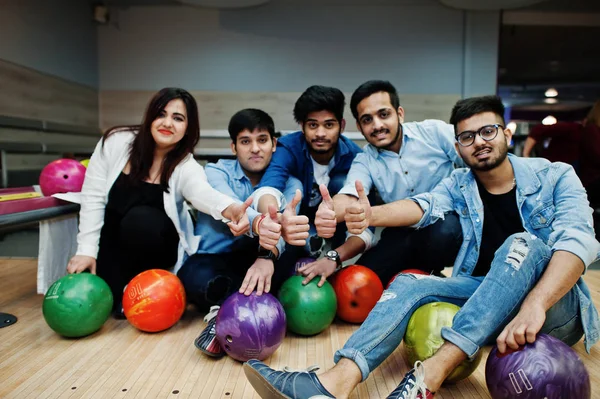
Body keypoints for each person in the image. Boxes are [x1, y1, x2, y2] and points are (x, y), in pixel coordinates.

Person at [243, 95, 600, 399]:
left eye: (488, 131)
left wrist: (536, 304)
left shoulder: (555, 175)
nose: (479, 141)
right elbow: (422, 206)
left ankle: (427, 378)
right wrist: (368, 214)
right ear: (458, 146)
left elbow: (579, 241)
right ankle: (335, 382)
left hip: (553, 310)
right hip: (492, 302)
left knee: (521, 243)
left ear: (506, 134)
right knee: (409, 282)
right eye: (467, 137)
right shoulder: (460, 182)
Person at [66, 88, 251, 316]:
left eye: (178, 118)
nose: (168, 123)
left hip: (156, 245)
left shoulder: (185, 166)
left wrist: (231, 209)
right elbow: (92, 196)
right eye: (161, 114)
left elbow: (203, 194)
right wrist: (86, 251)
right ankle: (120, 286)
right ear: (150, 116)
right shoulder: (115, 141)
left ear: (187, 128)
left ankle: (146, 286)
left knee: (140, 220)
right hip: (112, 243)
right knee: (106, 304)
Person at [303, 80, 463, 287]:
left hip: (447, 225)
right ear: (360, 127)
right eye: (367, 120)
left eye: (384, 114)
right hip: (402, 232)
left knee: (444, 231)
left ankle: (424, 278)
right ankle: (420, 278)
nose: (377, 125)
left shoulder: (434, 133)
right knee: (358, 284)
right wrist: (330, 211)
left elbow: (472, 157)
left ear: (400, 114)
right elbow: (350, 195)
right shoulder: (365, 160)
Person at [176, 108, 301, 357]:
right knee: (195, 276)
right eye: (246, 141)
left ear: (274, 144)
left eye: (262, 140)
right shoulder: (215, 172)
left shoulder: (290, 183)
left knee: (291, 260)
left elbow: (285, 232)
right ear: (234, 147)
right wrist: (261, 225)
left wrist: (269, 253)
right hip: (217, 260)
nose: (255, 148)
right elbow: (231, 206)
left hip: (261, 257)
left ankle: (222, 317)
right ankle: (227, 316)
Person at [254, 85, 362, 260]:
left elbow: (366, 215)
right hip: (296, 223)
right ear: (302, 126)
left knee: (344, 183)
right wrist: (276, 218)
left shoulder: (355, 156)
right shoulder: (288, 147)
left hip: (334, 227)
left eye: (329, 125)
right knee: (293, 183)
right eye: (313, 125)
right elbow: (269, 187)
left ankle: (331, 251)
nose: (320, 133)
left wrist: (336, 256)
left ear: (341, 126)